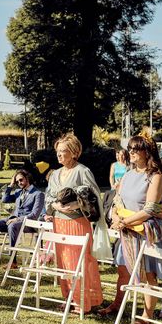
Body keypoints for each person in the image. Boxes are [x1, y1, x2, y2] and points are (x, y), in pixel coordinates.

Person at [100, 134, 162, 324]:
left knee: (149, 274)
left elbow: (150, 209)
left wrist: (125, 221)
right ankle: (117, 304)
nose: (130, 152)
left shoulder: (156, 176)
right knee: (123, 269)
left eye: (135, 149)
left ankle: (146, 316)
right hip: (127, 229)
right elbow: (117, 199)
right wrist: (115, 216)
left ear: (147, 152)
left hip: (146, 231)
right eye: (130, 149)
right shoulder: (127, 174)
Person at [44, 133, 104, 313]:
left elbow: (93, 196)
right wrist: (55, 205)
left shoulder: (82, 171)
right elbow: (48, 196)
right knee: (63, 262)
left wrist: (76, 203)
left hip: (77, 223)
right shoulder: (55, 174)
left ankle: (83, 300)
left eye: (63, 151)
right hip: (58, 222)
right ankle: (68, 297)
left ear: (74, 152)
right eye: (58, 152)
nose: (59, 155)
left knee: (79, 261)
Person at [0, 169, 45, 268]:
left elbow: (34, 214)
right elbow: (5, 200)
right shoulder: (18, 191)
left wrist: (18, 219)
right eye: (17, 181)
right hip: (14, 219)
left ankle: (13, 261)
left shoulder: (38, 194)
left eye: (21, 180)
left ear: (27, 178)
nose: (19, 183)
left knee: (12, 226)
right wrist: (11, 184)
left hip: (29, 223)